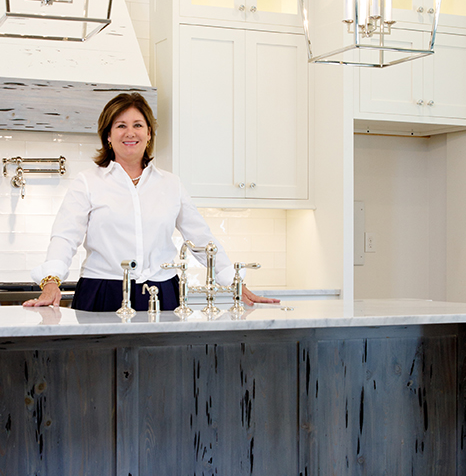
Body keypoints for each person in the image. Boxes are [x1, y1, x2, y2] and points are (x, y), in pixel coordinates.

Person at [24, 91, 279, 311]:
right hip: (103, 290)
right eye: (120, 125)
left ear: (149, 133)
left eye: (138, 125)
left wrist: (236, 283)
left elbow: (201, 239)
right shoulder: (88, 182)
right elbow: (64, 237)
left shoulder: (171, 184)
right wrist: (50, 283)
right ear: (108, 136)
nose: (130, 132)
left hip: (163, 292)